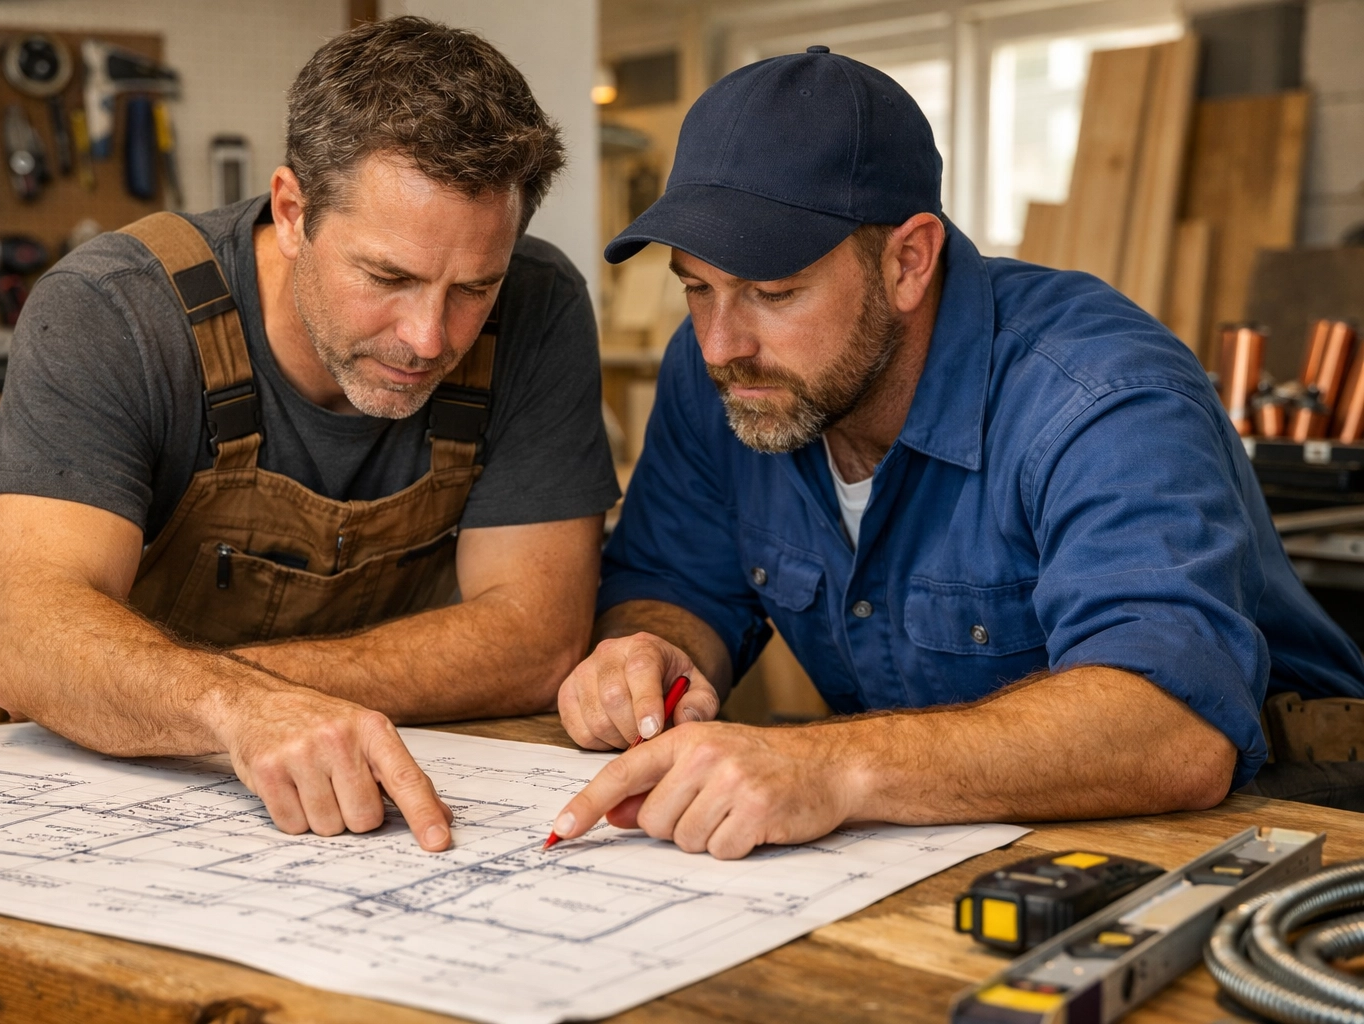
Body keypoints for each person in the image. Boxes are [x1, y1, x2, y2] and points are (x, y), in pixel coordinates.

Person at [549, 46, 1364, 860]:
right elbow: (673, 580)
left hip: (1282, 817)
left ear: (908, 261)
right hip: (946, 828)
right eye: (697, 287)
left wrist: (832, 767)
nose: (722, 342)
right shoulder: (730, 374)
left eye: (773, 292)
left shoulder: (1101, 395)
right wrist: (656, 653)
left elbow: (1172, 727)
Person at [0, 18, 619, 853]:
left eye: (473, 288)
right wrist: (237, 708)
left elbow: (537, 640)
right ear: (291, 211)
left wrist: (250, 689)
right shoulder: (111, 312)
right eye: (388, 277)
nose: (429, 337)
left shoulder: (540, 306)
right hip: (105, 802)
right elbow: (28, 637)